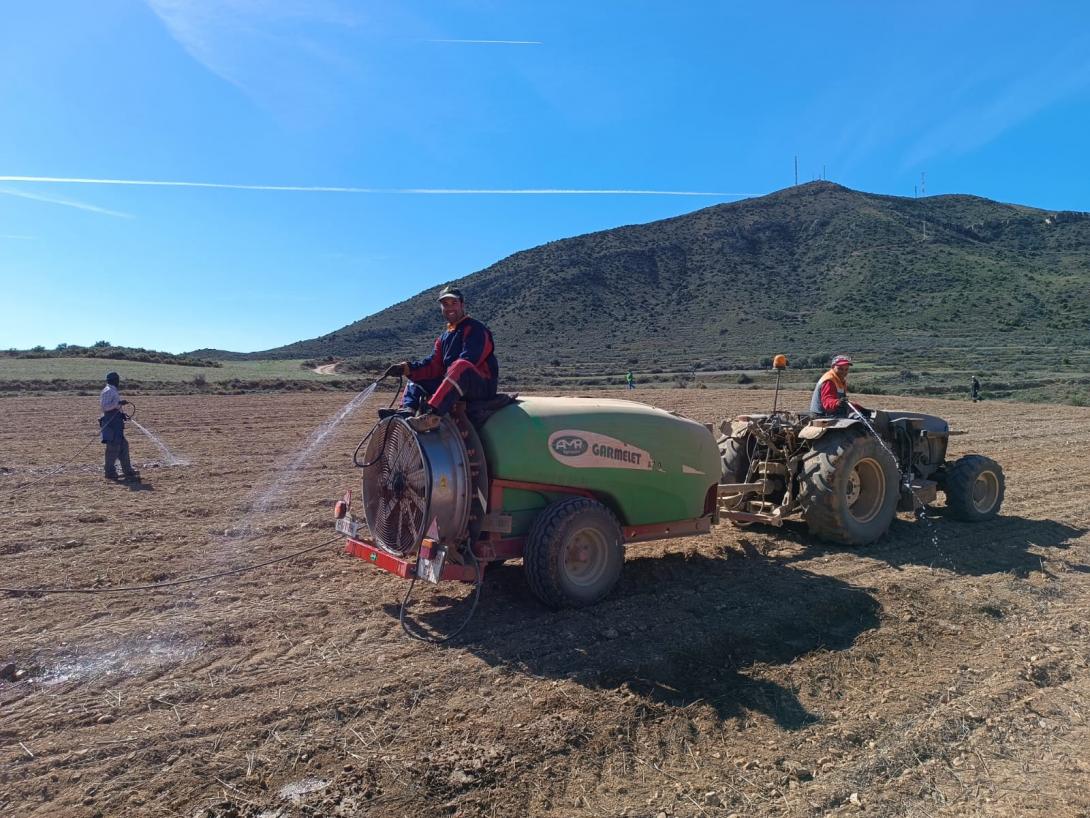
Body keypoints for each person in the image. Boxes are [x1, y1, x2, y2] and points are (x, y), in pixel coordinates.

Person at [384, 285, 498, 433]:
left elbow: (470, 361)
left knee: (461, 365)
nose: (449, 307)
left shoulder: (476, 329)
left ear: (462, 304)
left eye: (454, 303)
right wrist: (407, 368)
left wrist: (445, 379)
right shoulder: (444, 337)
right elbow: (433, 364)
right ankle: (407, 410)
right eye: (445, 304)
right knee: (415, 376)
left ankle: (432, 416)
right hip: (455, 380)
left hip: (479, 386)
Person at [100, 371, 139, 481]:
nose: (118, 382)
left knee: (123, 446)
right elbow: (105, 407)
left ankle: (127, 470)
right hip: (111, 423)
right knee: (113, 447)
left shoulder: (112, 390)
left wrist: (121, 412)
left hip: (117, 422)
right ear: (114, 380)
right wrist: (118, 404)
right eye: (117, 380)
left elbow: (113, 406)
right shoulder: (108, 391)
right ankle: (110, 472)